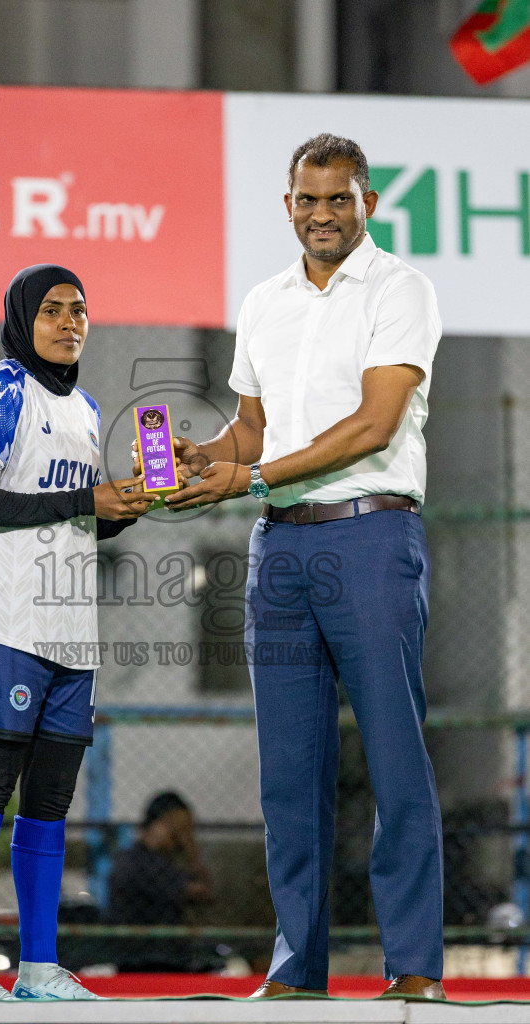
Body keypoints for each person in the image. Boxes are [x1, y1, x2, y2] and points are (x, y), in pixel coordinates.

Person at [160, 134, 445, 1000]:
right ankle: (296, 967)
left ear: (366, 204)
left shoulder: (401, 291)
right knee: (288, 771)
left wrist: (244, 475)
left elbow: (372, 427)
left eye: (338, 200)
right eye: (306, 200)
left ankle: (412, 968)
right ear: (287, 205)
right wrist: (194, 456)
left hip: (368, 538)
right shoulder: (265, 302)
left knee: (395, 758)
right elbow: (254, 434)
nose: (321, 215)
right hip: (277, 547)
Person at [0, 264, 158, 1002]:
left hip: (73, 632)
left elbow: (78, 522)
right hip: (8, 622)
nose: (70, 322)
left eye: (81, 310)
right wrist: (83, 497)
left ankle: (38, 968)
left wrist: (130, 504)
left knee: (50, 804)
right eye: (54, 310)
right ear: (22, 318)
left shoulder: (88, 410)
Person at [107, 792, 212, 971]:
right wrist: (189, 846)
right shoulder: (142, 863)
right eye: (177, 827)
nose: (178, 835)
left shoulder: (150, 860)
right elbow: (202, 891)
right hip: (147, 961)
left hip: (156, 956)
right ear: (160, 823)